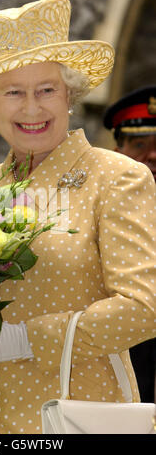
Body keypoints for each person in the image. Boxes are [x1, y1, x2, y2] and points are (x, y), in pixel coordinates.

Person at [0, 0, 156, 434]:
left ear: (70, 95)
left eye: (46, 89)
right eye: (14, 92)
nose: (32, 108)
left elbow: (144, 308)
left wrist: (23, 339)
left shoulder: (118, 177)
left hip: (75, 417)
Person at [103, 86, 156, 403]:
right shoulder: (97, 210)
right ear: (117, 150)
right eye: (139, 144)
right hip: (118, 366)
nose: (152, 156)